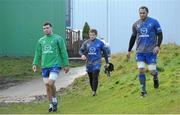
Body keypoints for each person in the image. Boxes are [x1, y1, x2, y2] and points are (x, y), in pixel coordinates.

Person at [32, 22, 69, 112]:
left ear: (51, 28)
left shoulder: (58, 38)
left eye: (47, 28)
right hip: (45, 66)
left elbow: (63, 51)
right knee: (47, 87)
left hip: (55, 65)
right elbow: (38, 53)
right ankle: (50, 105)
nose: (46, 30)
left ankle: (55, 99)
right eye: (44, 28)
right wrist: (35, 64)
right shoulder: (41, 40)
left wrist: (66, 64)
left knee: (50, 83)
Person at [127, 6, 163, 97]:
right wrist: (129, 50)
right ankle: (143, 91)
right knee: (141, 70)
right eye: (140, 13)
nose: (142, 14)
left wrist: (158, 46)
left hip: (151, 52)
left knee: (152, 71)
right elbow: (133, 37)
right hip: (140, 52)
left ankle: (155, 77)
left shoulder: (154, 22)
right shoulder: (136, 24)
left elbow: (160, 34)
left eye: (143, 13)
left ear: (147, 13)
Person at [79, 29, 109, 96]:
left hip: (97, 62)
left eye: (93, 35)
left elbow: (105, 53)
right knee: (91, 77)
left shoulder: (100, 43)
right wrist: (82, 55)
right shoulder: (86, 43)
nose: (91, 36)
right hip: (89, 63)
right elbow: (80, 50)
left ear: (96, 35)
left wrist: (107, 62)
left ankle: (94, 91)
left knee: (95, 74)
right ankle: (93, 89)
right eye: (90, 35)